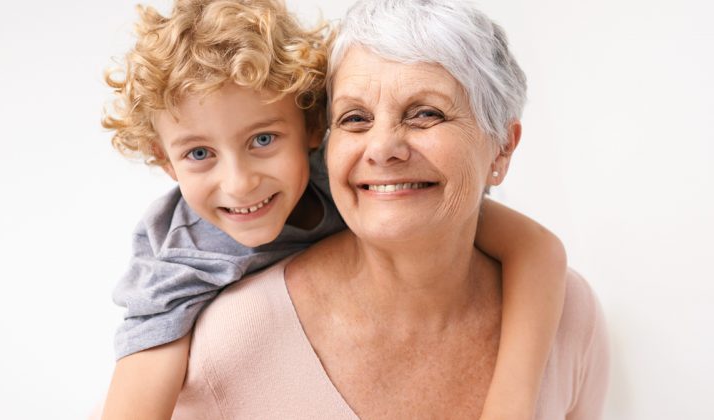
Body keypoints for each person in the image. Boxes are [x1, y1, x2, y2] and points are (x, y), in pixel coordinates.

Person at [101, 0, 570, 418]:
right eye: (199, 154)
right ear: (164, 162)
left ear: (313, 128)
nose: (239, 183)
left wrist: (512, 401)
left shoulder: (349, 176)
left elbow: (536, 246)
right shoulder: (180, 261)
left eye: (263, 140)